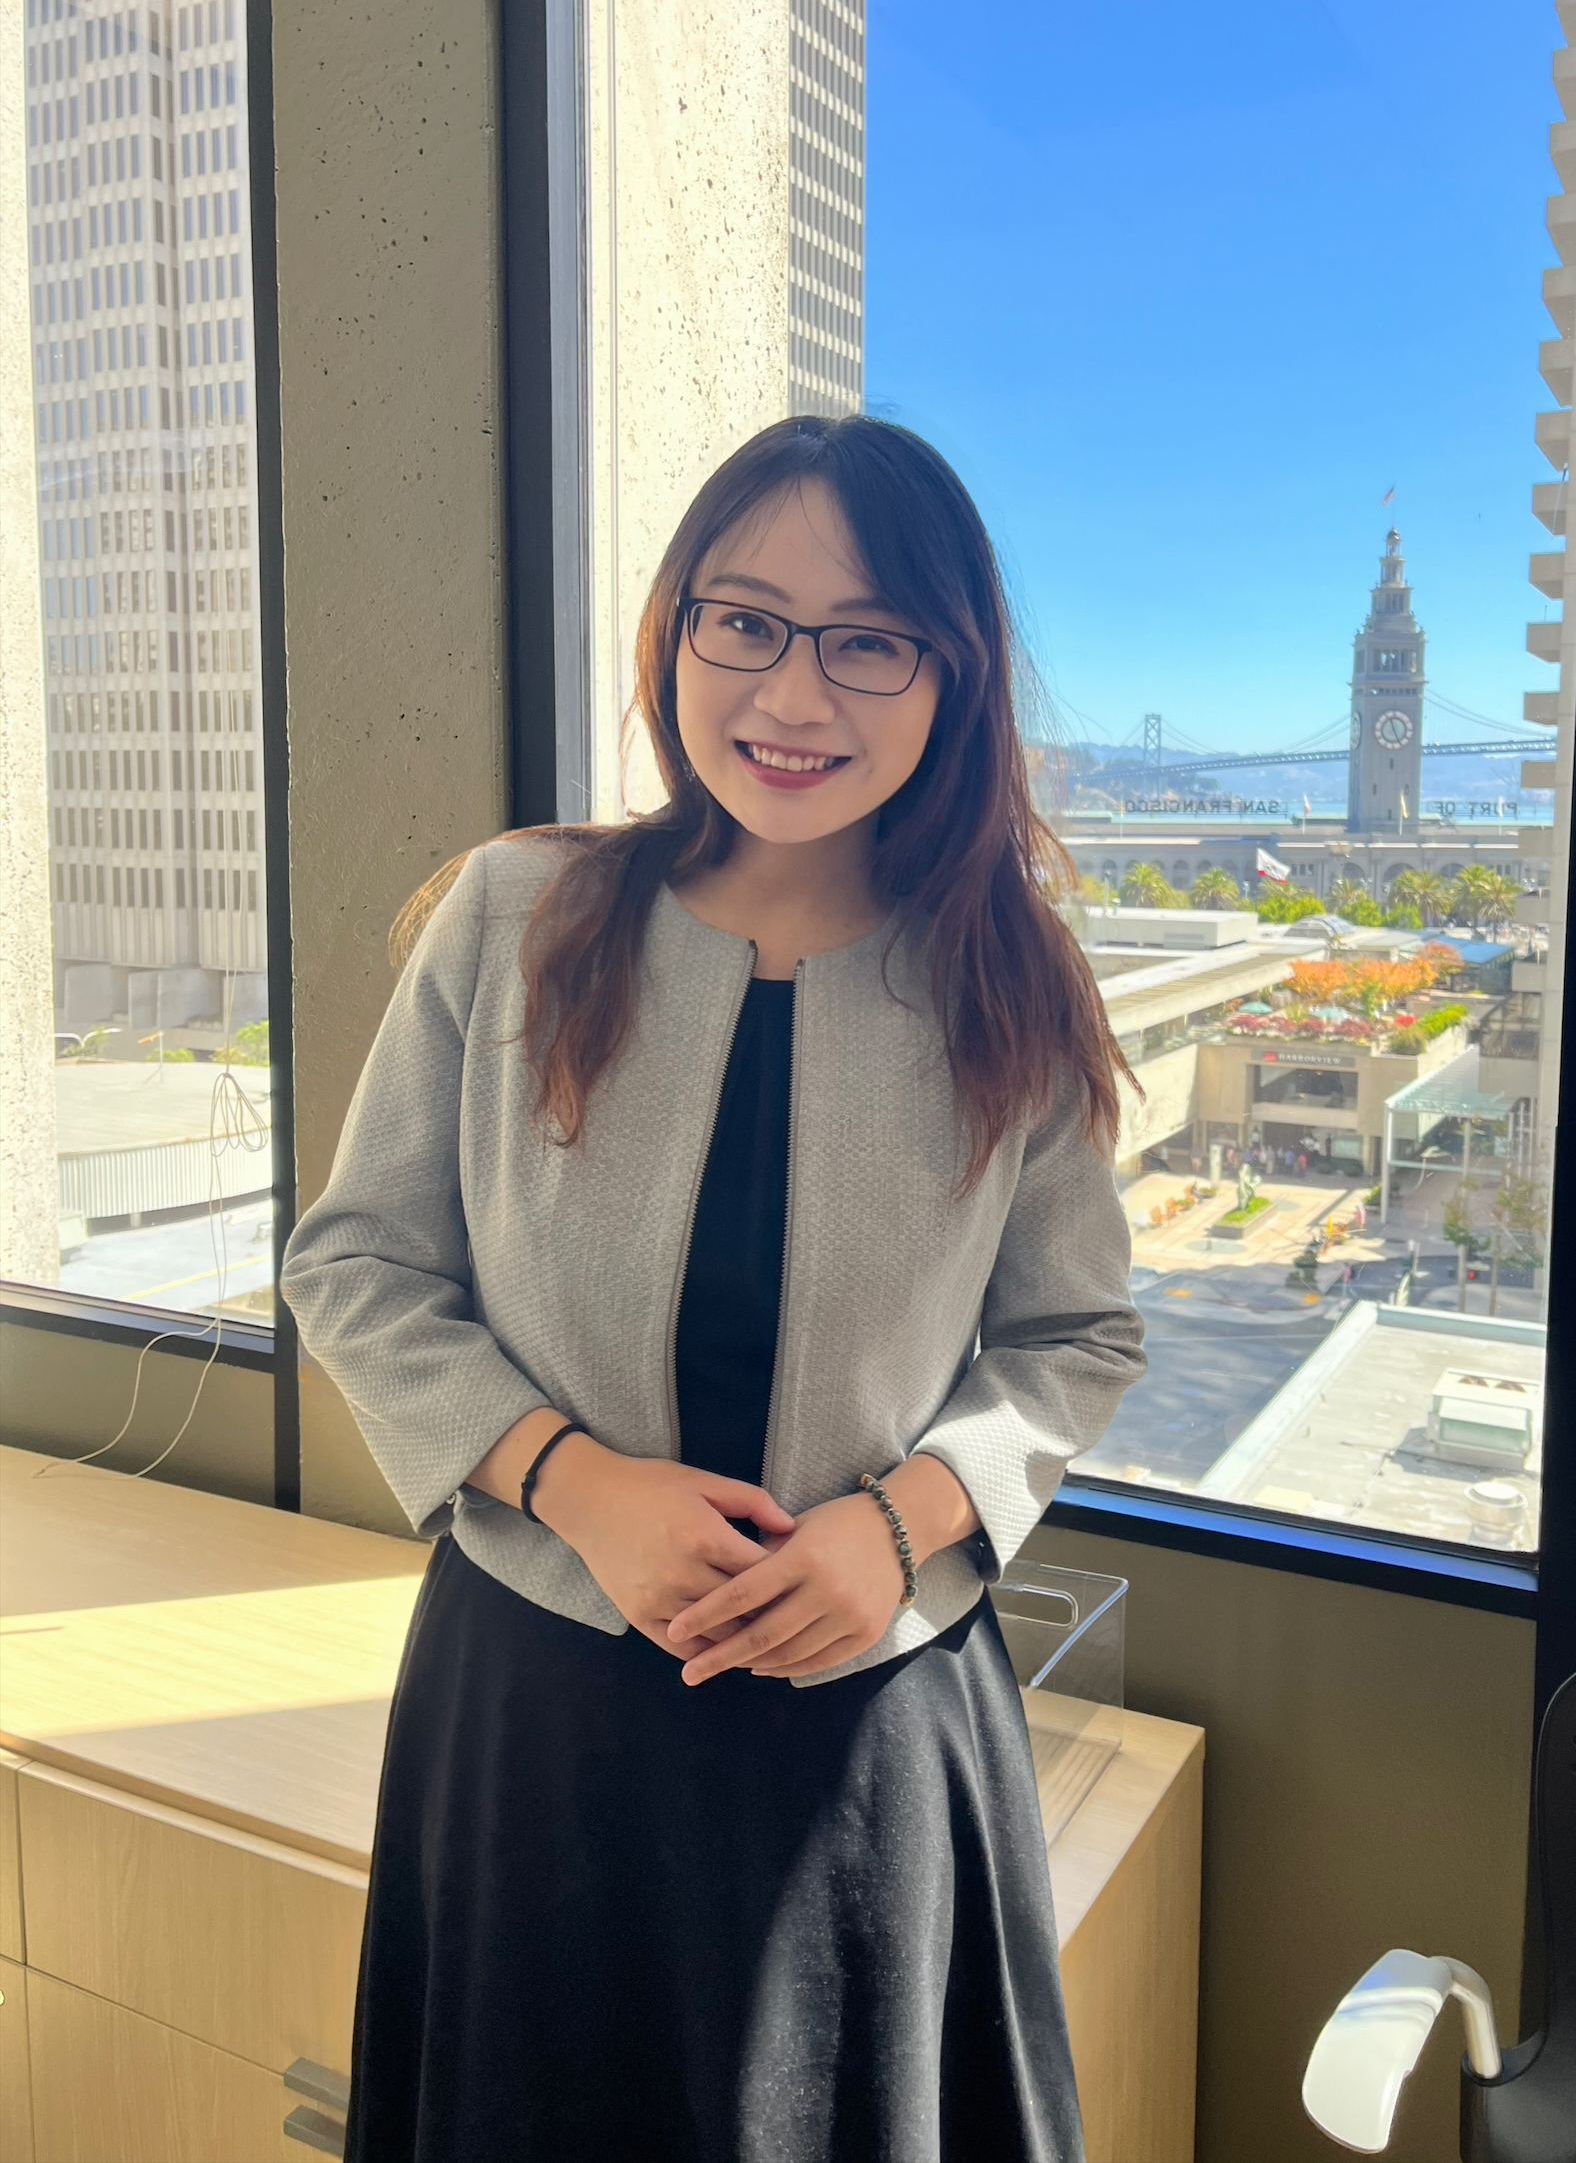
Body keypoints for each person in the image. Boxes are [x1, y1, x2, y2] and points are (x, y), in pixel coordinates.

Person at [281, 415, 1146, 2163]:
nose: (795, 695)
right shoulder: (515, 913)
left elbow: (1075, 1337)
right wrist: (572, 1484)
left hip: (873, 1721)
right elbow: (357, 1261)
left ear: (950, 677)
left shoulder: (1010, 979)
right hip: (537, 1710)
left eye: (869, 640)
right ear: (674, 633)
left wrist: (896, 1530)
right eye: (742, 621)